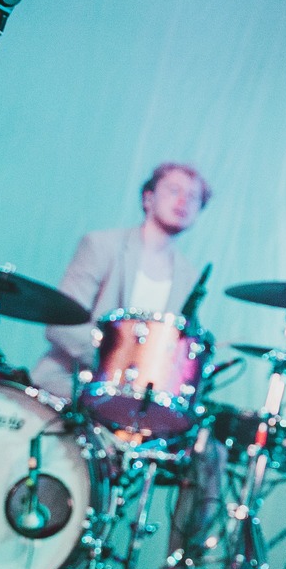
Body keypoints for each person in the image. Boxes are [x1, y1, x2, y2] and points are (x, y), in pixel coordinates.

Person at [35, 162, 213, 401]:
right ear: (148, 198)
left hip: (135, 404)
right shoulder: (101, 246)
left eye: (193, 197)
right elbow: (61, 324)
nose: (183, 201)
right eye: (174, 190)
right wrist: (119, 362)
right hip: (68, 387)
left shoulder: (190, 277)